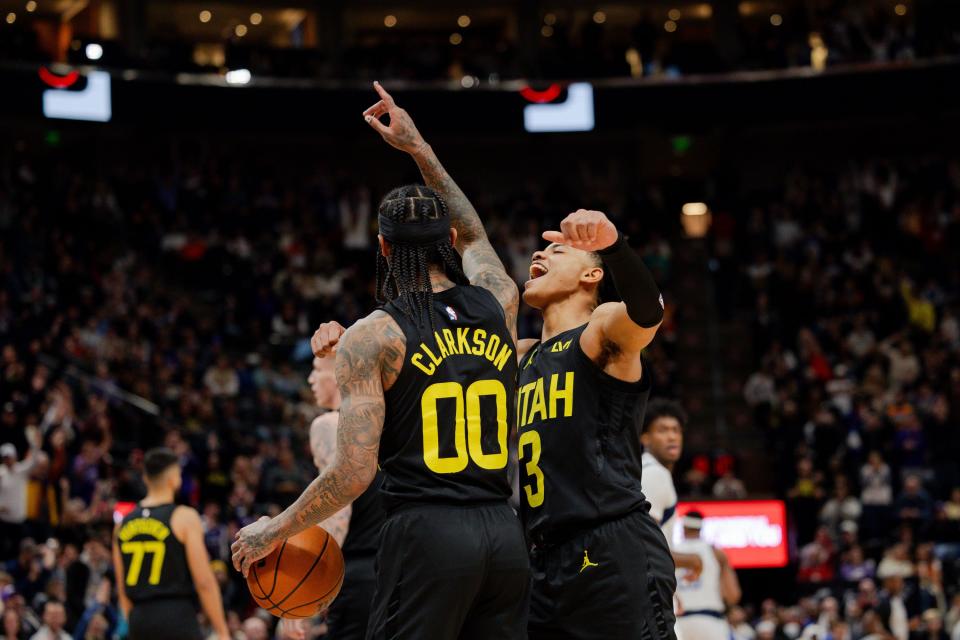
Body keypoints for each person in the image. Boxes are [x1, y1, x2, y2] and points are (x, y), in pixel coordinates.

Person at [315, 84, 676, 638]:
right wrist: (352, 343)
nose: (539, 252)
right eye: (541, 245)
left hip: (609, 543)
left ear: (592, 275)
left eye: (558, 249)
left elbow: (648, 314)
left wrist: (617, 243)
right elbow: (434, 343)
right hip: (537, 555)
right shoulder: (518, 354)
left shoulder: (601, 331)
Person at [232, 81, 529, 640]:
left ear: (384, 247)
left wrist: (274, 529)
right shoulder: (499, 297)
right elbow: (475, 233)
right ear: (447, 239)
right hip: (503, 531)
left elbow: (352, 473)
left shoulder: (374, 335)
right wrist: (420, 149)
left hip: (428, 537)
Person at [304, 357, 385, 640]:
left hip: (357, 570)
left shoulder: (329, 424)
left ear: (339, 375)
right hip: (397, 569)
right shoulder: (387, 422)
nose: (311, 379)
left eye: (317, 370)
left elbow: (338, 509)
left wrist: (310, 589)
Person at [112, 447, 230, 640]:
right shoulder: (184, 517)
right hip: (176, 616)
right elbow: (204, 582)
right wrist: (222, 631)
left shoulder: (122, 524)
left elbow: (122, 587)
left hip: (139, 619)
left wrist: (133, 620)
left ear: (145, 478)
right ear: (174, 479)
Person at [672, 511, 742, 639]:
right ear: (701, 528)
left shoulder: (672, 553)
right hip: (710, 621)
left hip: (678, 623)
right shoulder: (716, 553)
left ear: (683, 527)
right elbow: (732, 595)